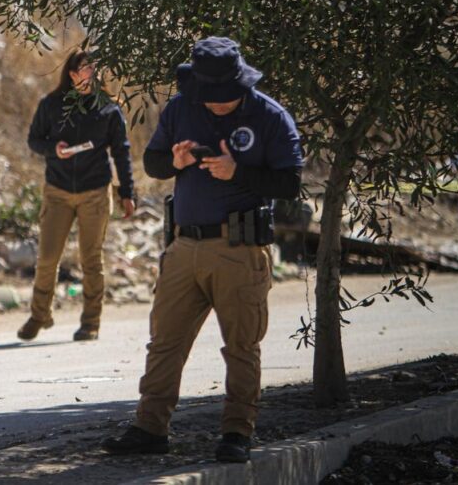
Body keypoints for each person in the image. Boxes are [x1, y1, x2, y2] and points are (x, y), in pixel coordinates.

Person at [101, 36, 303, 463]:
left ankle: (236, 432)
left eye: (225, 97)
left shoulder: (270, 116)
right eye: (211, 97)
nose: (217, 104)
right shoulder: (181, 107)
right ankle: (150, 427)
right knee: (164, 342)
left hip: (241, 249)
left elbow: (289, 184)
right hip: (184, 245)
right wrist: (174, 163)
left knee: (241, 346)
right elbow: (153, 164)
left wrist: (239, 171)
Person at [17, 49, 136, 343]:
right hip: (57, 191)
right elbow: (34, 139)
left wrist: (128, 192)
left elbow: (122, 152)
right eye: (86, 67)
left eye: (96, 66)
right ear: (72, 74)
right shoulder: (52, 105)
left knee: (91, 260)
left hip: (95, 191)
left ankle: (91, 322)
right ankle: (39, 315)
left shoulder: (109, 109)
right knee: (47, 258)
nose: (92, 71)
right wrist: (52, 149)